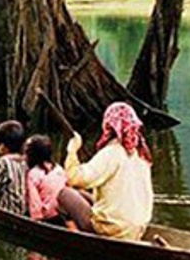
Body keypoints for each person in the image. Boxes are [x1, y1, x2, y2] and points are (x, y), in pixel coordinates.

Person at [57, 102, 153, 240]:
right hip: (137, 229)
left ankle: (77, 238)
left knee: (65, 193)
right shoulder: (142, 154)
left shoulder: (112, 152)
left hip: (113, 229)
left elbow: (74, 178)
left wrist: (72, 150)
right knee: (80, 193)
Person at [23, 134, 68, 223]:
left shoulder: (33, 174)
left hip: (47, 216)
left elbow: (35, 203)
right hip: (62, 214)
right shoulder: (59, 169)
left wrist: (36, 221)